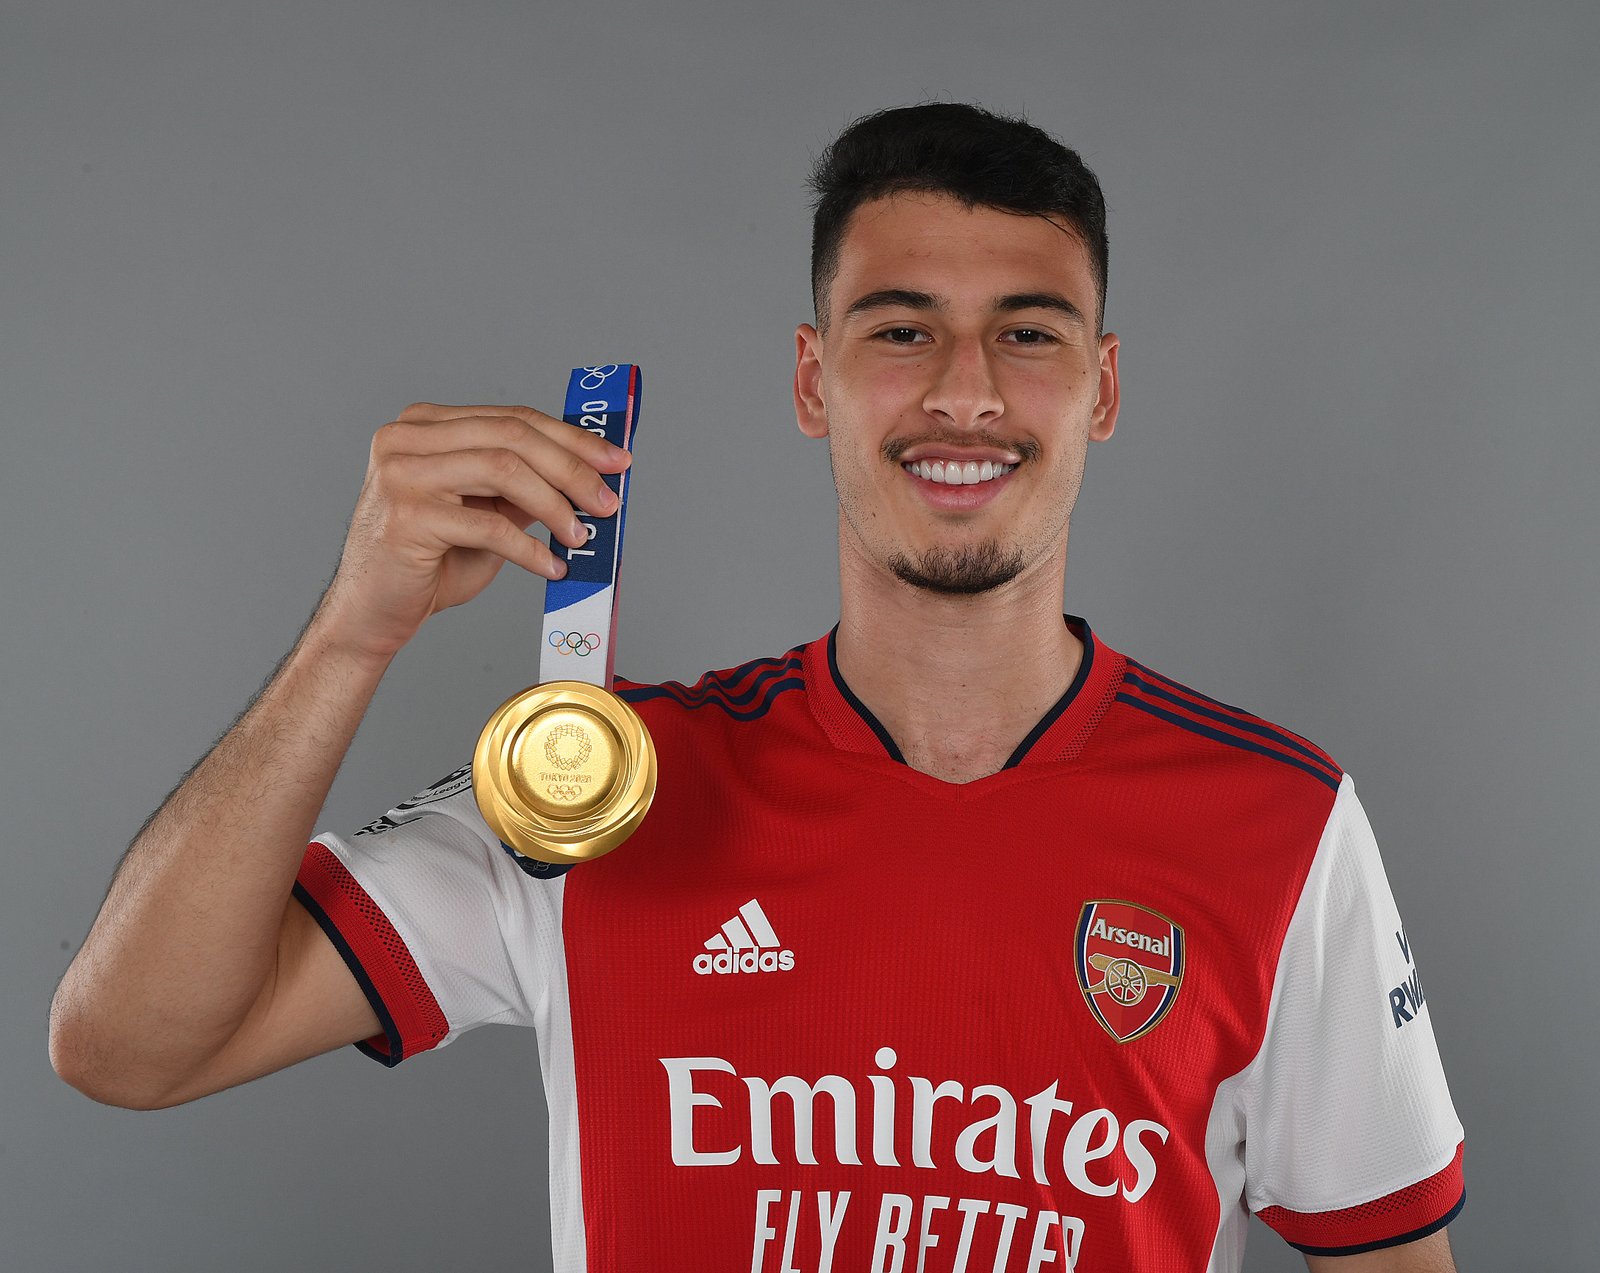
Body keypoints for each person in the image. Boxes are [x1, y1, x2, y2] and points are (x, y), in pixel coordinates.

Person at [50, 103, 1465, 1272]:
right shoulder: (603, 786)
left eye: (1028, 334)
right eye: (900, 329)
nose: (963, 391)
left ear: (1100, 387)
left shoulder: (1280, 822)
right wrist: (352, 632)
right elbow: (126, 1044)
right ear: (813, 379)